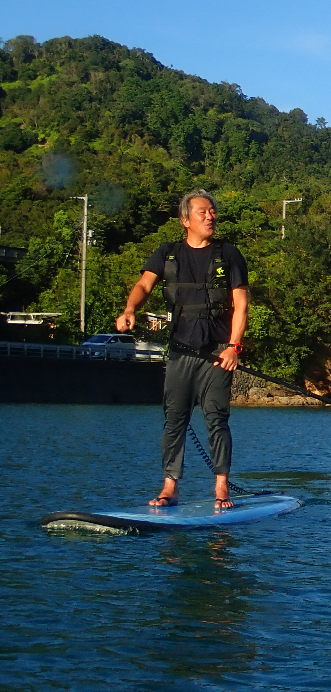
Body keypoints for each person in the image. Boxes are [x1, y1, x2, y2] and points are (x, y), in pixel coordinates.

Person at [116, 191, 249, 509]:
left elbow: (241, 305)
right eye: (203, 212)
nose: (210, 216)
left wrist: (234, 347)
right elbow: (144, 285)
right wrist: (130, 309)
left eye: (213, 211)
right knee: (174, 419)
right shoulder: (167, 253)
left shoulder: (229, 254)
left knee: (217, 418)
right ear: (185, 220)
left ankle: (221, 488)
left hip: (218, 354)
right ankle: (170, 488)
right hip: (180, 352)